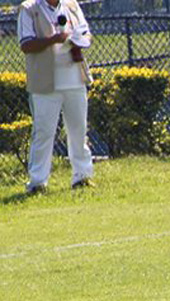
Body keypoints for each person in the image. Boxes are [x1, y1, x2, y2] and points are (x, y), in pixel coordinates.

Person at [18, 0, 95, 194]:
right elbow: (26, 44)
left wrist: (79, 40)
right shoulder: (29, 9)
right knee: (43, 132)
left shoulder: (71, 5)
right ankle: (37, 182)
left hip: (74, 78)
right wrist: (54, 39)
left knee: (78, 130)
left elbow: (86, 33)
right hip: (45, 83)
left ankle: (82, 176)